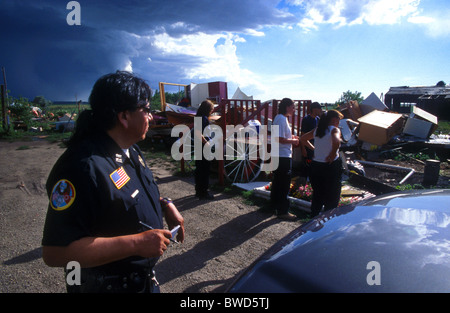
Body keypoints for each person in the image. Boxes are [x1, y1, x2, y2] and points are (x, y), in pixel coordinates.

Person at [41, 71, 185, 293]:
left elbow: (128, 195)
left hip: (141, 282)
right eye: (146, 110)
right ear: (124, 116)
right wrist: (136, 243)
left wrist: (165, 204)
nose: (151, 117)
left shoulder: (131, 150)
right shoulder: (82, 166)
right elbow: (55, 253)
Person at [300, 109, 344, 217]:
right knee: (332, 196)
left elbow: (303, 138)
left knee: (318, 195)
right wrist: (333, 153)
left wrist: (314, 149)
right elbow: (336, 141)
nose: (339, 122)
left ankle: (313, 219)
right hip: (330, 166)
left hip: (316, 166)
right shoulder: (334, 130)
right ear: (334, 119)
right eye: (338, 119)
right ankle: (328, 220)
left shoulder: (318, 130)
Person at [270, 98, 299, 220]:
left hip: (278, 155)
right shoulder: (282, 119)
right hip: (283, 156)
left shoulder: (278, 118)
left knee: (277, 182)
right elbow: (280, 139)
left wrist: (290, 136)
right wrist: (294, 140)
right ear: (287, 107)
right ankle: (283, 211)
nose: (294, 110)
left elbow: (280, 137)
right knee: (284, 184)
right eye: (293, 107)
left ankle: (273, 206)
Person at [194, 100, 215, 200]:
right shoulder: (203, 118)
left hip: (198, 146)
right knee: (205, 170)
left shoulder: (198, 117)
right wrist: (206, 143)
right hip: (203, 147)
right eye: (211, 109)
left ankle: (198, 190)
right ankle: (204, 192)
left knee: (199, 169)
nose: (211, 111)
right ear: (207, 109)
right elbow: (199, 133)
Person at [299, 102, 322, 182]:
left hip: (315, 147)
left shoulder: (318, 119)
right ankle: (302, 186)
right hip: (307, 147)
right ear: (314, 109)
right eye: (319, 108)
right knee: (306, 166)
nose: (320, 110)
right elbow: (302, 135)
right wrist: (303, 149)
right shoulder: (306, 119)